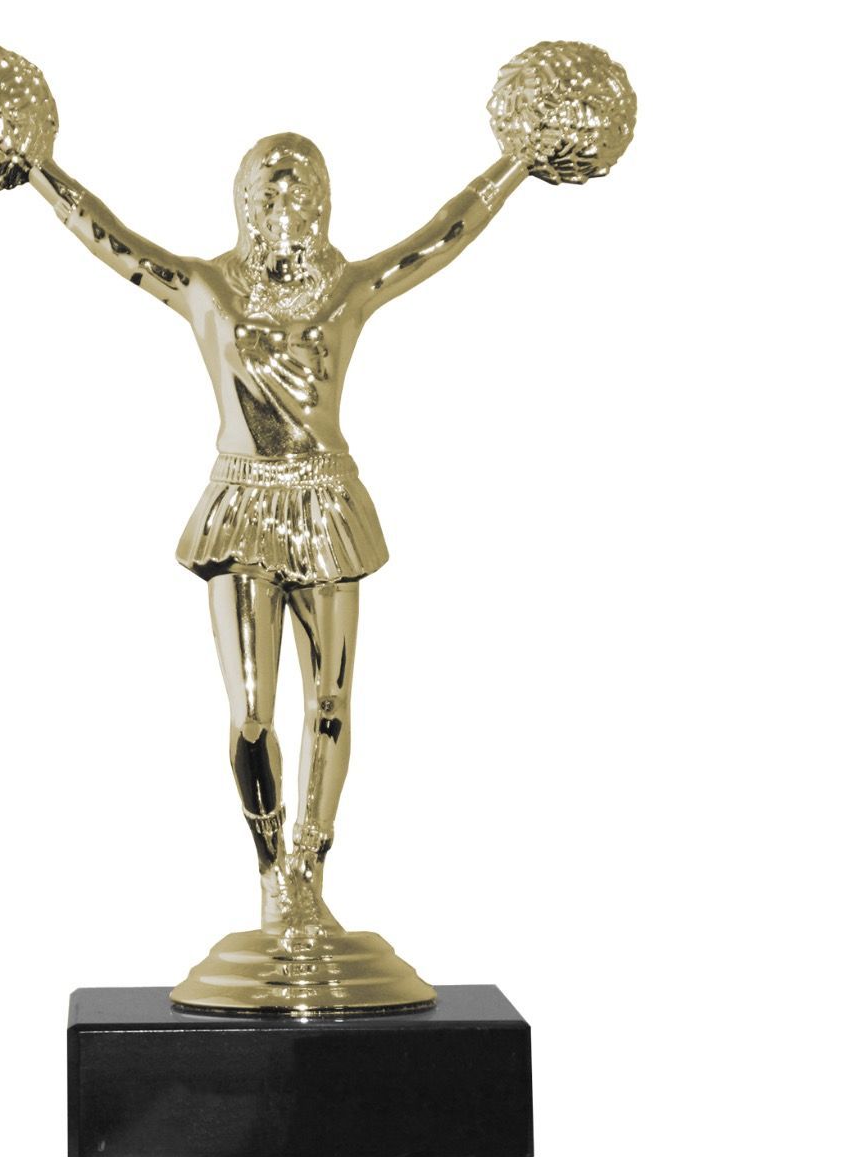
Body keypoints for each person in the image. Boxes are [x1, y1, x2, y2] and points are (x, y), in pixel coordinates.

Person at [30, 133, 525, 932]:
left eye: (296, 189)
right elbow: (109, 238)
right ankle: (269, 872)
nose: (280, 203)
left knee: (329, 701)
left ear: (322, 202)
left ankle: (309, 867)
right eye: (265, 189)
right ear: (241, 201)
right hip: (240, 508)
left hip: (326, 505)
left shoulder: (347, 289)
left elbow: (444, 234)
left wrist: (518, 162)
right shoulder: (207, 287)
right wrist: (37, 169)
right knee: (252, 710)